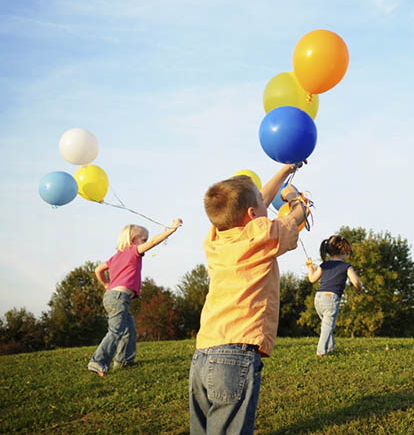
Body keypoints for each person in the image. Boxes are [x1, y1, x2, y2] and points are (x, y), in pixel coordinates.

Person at [190, 165, 307, 435]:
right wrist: (297, 200)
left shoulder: (216, 237)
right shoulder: (262, 236)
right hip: (235, 355)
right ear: (253, 215)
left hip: (203, 353)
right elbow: (295, 219)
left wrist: (285, 170)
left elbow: (257, 203)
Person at [88, 219, 183, 377]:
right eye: (143, 239)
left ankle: (124, 361)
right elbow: (154, 242)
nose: (145, 242)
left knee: (129, 331)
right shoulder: (133, 251)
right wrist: (171, 230)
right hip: (118, 297)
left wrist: (106, 284)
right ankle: (98, 361)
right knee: (116, 331)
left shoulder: (116, 257)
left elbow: (98, 269)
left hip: (114, 297)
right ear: (133, 240)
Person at [305, 234, 363, 357]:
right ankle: (321, 352)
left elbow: (312, 279)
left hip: (318, 298)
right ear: (344, 250)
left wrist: (310, 267)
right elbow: (356, 281)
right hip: (331, 298)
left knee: (327, 324)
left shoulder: (324, 265)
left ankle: (331, 347)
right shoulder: (346, 266)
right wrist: (359, 289)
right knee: (327, 326)